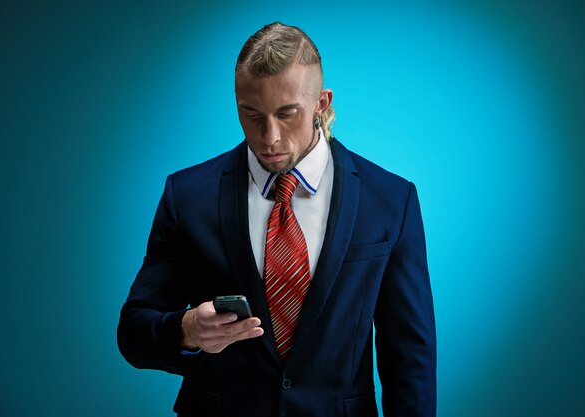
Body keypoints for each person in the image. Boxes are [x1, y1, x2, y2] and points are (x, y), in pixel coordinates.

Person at [117, 22, 436, 417]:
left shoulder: (390, 199)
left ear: (322, 102)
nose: (269, 137)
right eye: (251, 115)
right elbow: (132, 331)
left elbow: (410, 358)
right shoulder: (186, 196)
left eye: (287, 115)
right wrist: (186, 330)